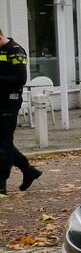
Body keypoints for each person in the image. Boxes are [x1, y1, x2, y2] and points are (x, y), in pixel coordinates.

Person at [0, 29, 42, 195]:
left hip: (9, 102)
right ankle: (28, 170)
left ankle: (1, 184)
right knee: (3, 142)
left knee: (3, 144)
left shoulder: (15, 50)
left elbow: (20, 79)